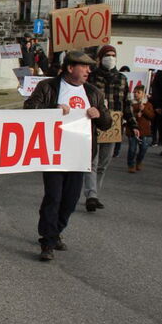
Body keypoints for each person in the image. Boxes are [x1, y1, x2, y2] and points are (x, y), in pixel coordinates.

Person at [24, 50, 111, 261]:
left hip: (79, 155)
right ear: (70, 68)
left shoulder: (93, 92)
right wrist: (52, 109)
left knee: (70, 200)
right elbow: (29, 108)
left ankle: (55, 231)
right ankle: (47, 241)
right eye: (84, 66)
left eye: (90, 67)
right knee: (53, 197)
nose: (88, 71)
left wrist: (99, 115)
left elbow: (107, 123)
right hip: (53, 152)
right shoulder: (49, 87)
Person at [82, 45, 137, 212]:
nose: (110, 58)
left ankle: (95, 191)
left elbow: (127, 103)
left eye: (113, 55)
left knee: (103, 163)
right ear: (100, 58)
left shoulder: (122, 79)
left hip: (113, 125)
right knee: (92, 160)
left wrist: (133, 123)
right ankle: (91, 195)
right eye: (107, 55)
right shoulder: (91, 78)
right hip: (94, 123)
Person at [127, 84, 155, 173]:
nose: (136, 94)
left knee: (143, 148)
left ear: (143, 94)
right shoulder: (131, 104)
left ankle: (139, 161)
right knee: (132, 149)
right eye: (134, 92)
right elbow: (128, 115)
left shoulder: (148, 104)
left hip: (144, 131)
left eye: (138, 92)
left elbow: (152, 116)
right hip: (133, 131)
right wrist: (136, 114)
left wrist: (144, 110)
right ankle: (131, 164)